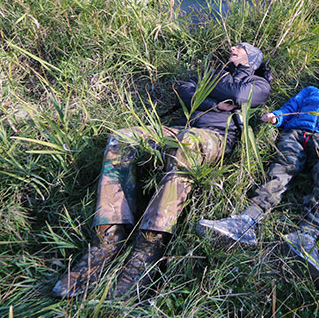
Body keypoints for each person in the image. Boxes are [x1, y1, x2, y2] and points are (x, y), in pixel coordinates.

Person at [52, 43, 271, 299]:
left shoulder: (259, 82)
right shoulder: (214, 72)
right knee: (123, 138)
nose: (233, 47)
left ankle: (148, 247)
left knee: (187, 144)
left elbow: (243, 96)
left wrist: (209, 87)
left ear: (253, 58)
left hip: (214, 137)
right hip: (177, 130)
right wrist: (219, 94)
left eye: (241, 47)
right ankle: (109, 235)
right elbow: (184, 91)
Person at [195, 68, 319, 285]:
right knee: (280, 170)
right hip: (294, 133)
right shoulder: (312, 91)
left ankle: (307, 237)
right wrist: (277, 117)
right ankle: (247, 221)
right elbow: (291, 107)